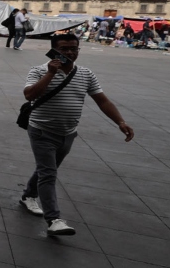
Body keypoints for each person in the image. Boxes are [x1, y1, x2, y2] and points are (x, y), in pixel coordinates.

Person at [19, 34, 134, 235]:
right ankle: (54, 219)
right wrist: (50, 74)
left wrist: (120, 122)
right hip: (41, 130)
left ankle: (28, 195)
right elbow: (29, 95)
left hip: (68, 132)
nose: (70, 52)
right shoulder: (38, 70)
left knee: (48, 168)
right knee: (48, 173)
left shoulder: (86, 74)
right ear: (54, 50)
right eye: (64, 49)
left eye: (74, 48)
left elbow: (102, 100)